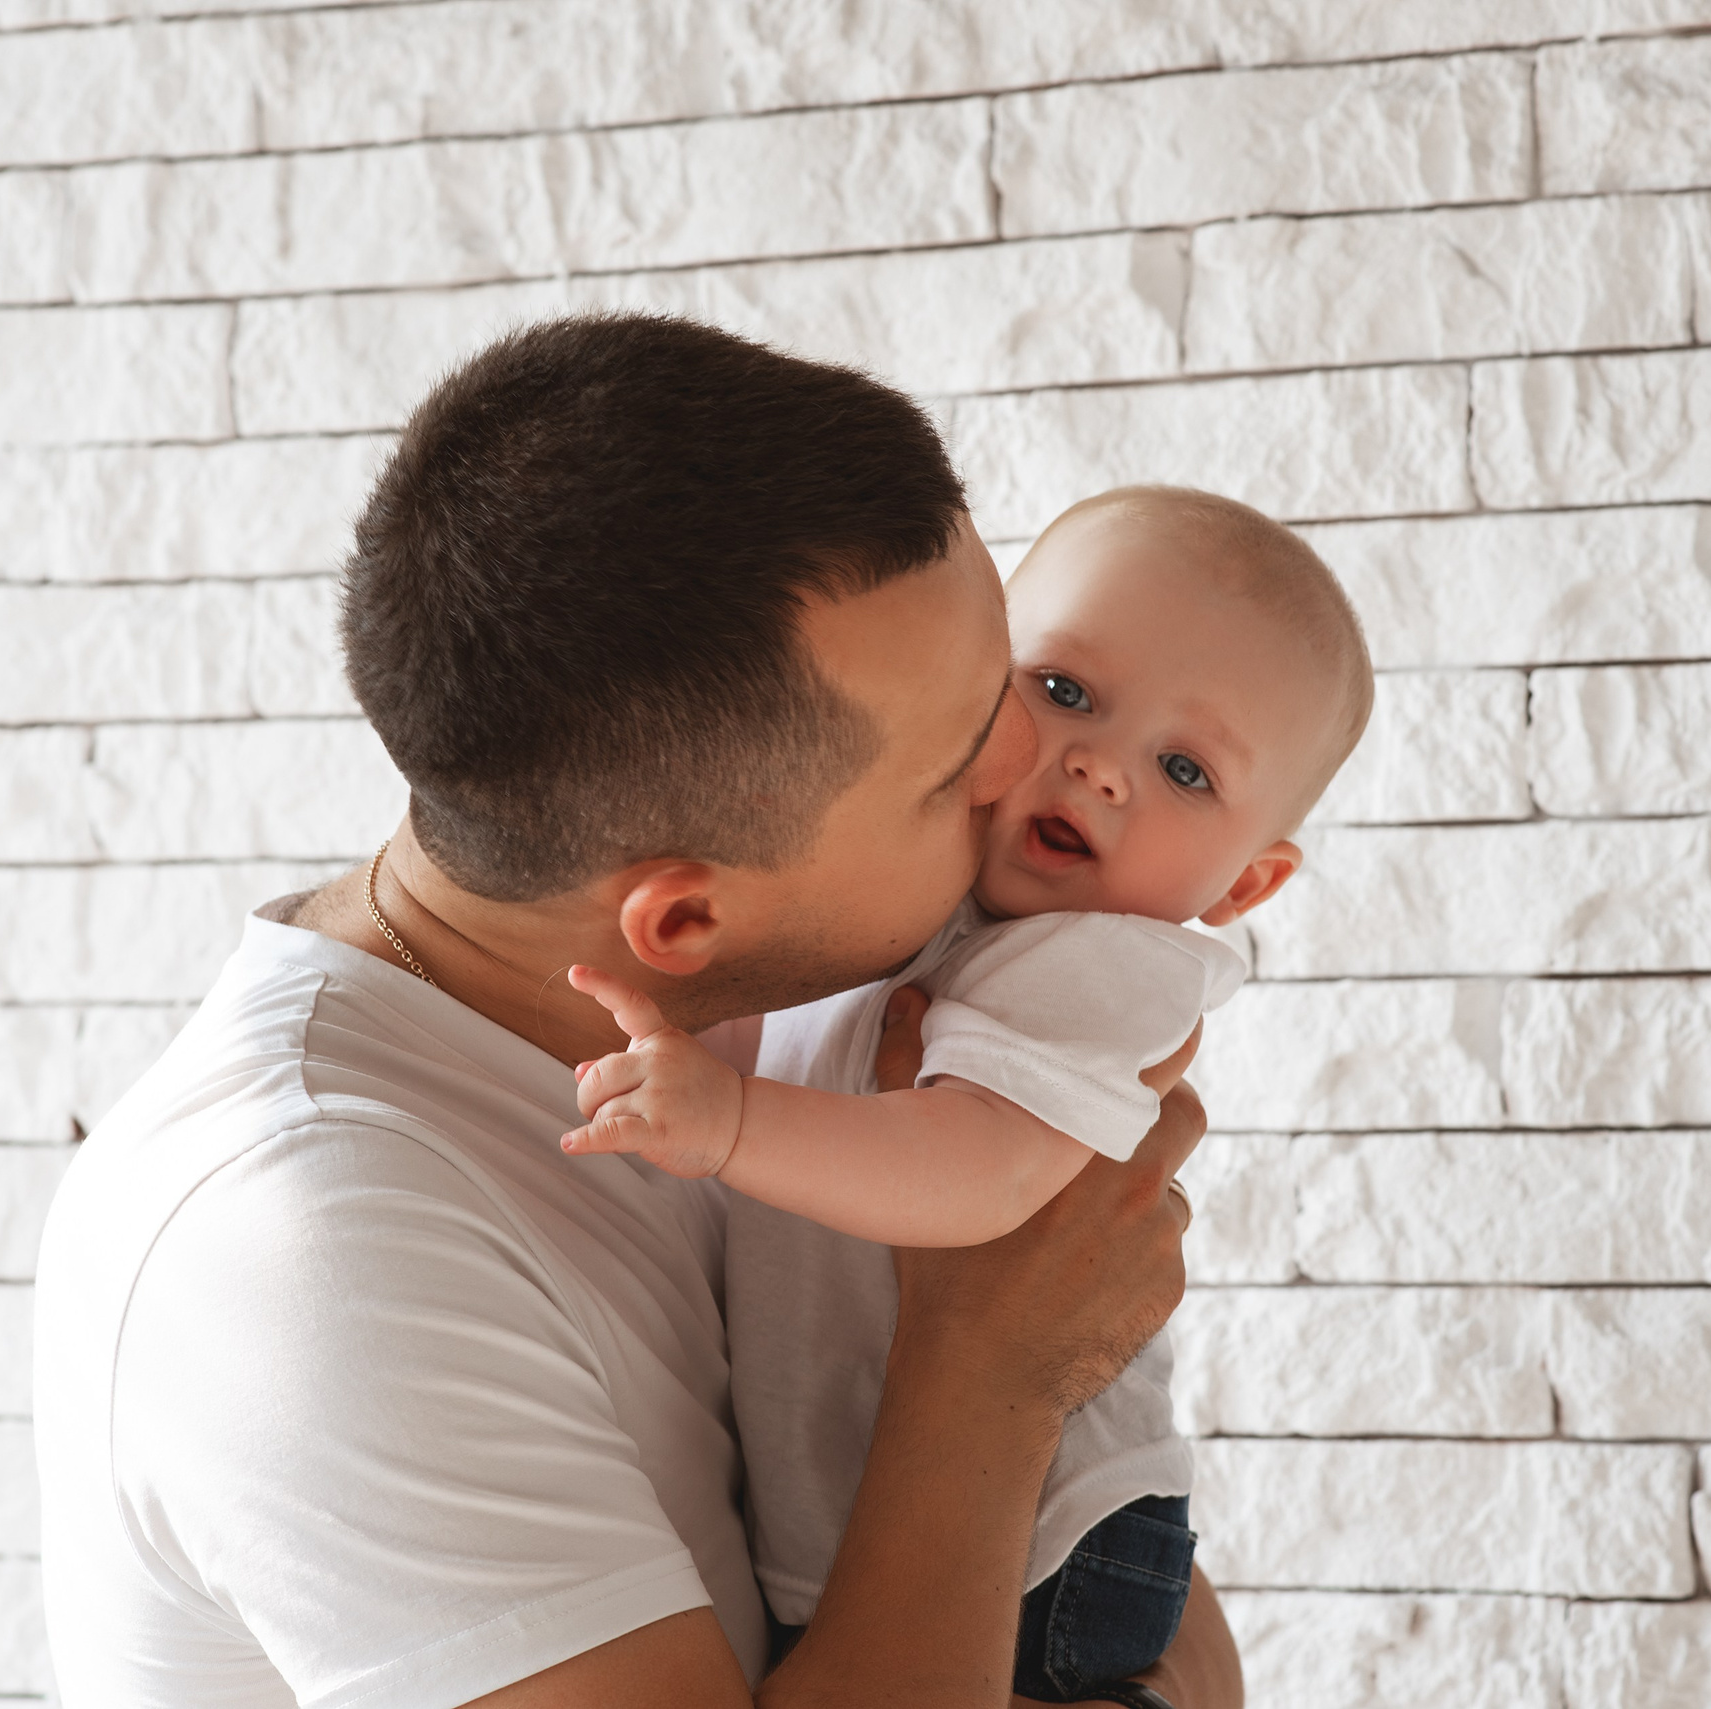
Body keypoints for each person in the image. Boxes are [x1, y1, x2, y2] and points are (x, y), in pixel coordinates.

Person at [31, 314, 1244, 1708]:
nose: (1033, 761)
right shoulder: (320, 1256)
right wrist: (992, 1376)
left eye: (1017, 674)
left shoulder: (738, 1042)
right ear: (680, 920)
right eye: (958, 756)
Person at [557, 486, 1373, 1700]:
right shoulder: (922, 898)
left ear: (1243, 884)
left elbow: (976, 1167)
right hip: (844, 1504)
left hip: (1053, 1545)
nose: (1098, 766)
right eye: (1063, 692)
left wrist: (726, 1124)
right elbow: (781, 1045)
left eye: (1186, 767)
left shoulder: (1102, 962)